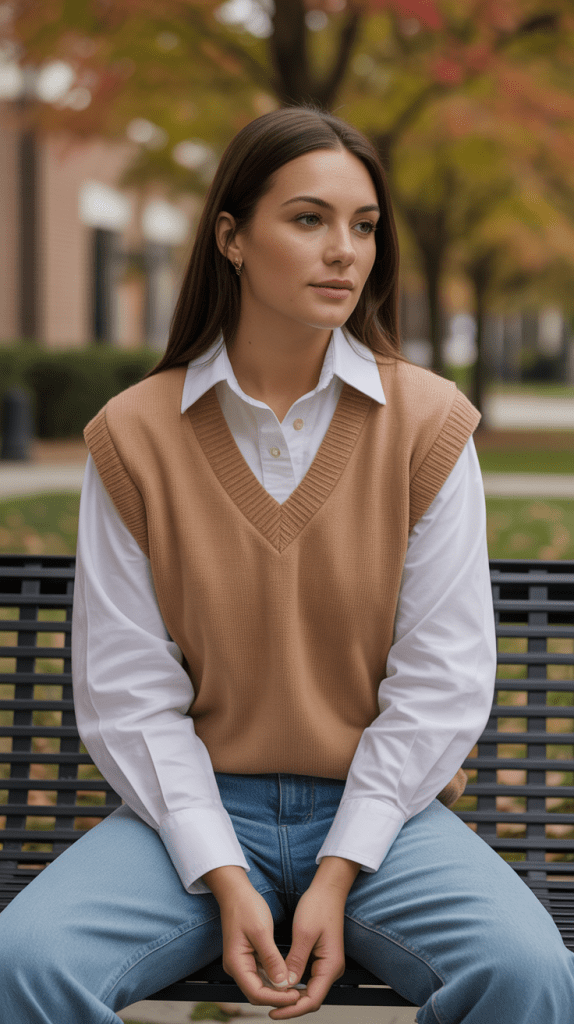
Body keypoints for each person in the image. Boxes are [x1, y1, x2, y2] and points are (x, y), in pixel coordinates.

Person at [1, 106, 573, 1024]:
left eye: (364, 225)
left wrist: (340, 868)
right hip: (188, 814)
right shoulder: (135, 437)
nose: (345, 250)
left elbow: (440, 682)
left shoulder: (429, 426)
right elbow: (128, 690)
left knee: (528, 974)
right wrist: (222, 871)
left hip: (384, 817)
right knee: (20, 965)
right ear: (230, 236)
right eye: (309, 219)